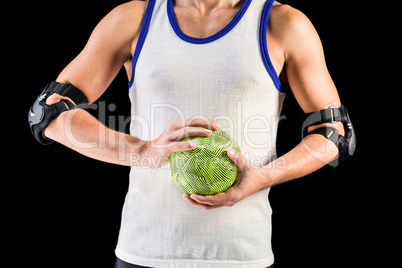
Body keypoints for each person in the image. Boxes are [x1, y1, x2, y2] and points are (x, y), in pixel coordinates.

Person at [28, 0, 356, 267]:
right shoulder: (135, 19)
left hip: (243, 254)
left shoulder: (281, 23)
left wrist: (263, 177)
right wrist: (142, 151)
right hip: (143, 251)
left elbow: (335, 134)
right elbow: (48, 114)